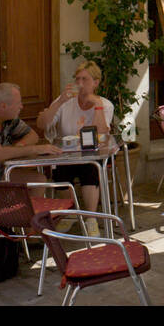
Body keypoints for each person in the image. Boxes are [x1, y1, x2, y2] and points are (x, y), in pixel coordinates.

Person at [36, 61, 113, 227]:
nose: (80, 84)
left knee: (90, 169)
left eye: (85, 79)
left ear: (95, 82)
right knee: (61, 170)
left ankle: (91, 218)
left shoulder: (105, 104)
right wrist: (59, 102)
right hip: (67, 154)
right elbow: (42, 124)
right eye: (77, 79)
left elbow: (102, 133)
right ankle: (70, 215)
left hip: (92, 153)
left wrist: (97, 106)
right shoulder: (65, 102)